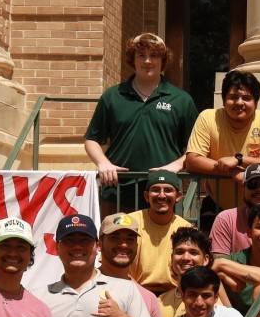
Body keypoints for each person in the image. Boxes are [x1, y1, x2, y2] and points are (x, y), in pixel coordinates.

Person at [85, 32, 199, 214]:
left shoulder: (181, 100)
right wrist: (103, 163)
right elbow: (92, 140)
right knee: (115, 243)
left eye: (154, 55)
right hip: (117, 192)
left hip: (163, 192)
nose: (147, 61)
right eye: (141, 55)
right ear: (133, 59)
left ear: (163, 60)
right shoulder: (112, 96)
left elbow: (197, 148)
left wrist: (176, 166)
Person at [185, 68, 260, 216]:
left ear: (256, 102)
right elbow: (192, 161)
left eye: (246, 98)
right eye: (233, 97)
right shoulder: (208, 117)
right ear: (224, 100)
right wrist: (232, 171)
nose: (239, 103)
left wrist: (239, 160)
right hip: (216, 205)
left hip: (259, 206)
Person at [126, 171, 193, 297]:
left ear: (178, 196)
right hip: (134, 291)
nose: (161, 195)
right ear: (146, 196)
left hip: (175, 294)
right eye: (156, 190)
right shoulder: (130, 222)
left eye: (168, 190)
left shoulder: (187, 229)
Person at [98, 213, 165, 317]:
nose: (124, 245)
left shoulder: (148, 298)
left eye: (130, 239)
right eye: (115, 238)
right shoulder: (85, 286)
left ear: (137, 245)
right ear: (99, 243)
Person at [158, 226, 218, 317]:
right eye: (179, 252)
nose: (186, 258)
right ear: (172, 257)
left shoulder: (213, 302)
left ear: (206, 259)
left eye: (193, 253)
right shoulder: (160, 301)